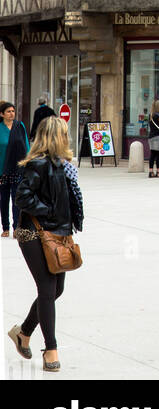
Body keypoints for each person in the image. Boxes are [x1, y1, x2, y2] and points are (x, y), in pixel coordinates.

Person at [8, 117, 84, 372]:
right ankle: (50, 349)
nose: (67, 138)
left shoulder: (63, 166)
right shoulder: (37, 165)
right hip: (34, 234)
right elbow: (22, 198)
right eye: (64, 133)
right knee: (47, 287)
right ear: (55, 137)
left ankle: (24, 332)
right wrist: (48, 212)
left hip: (58, 234)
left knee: (56, 289)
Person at [0, 102, 30, 236]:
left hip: (17, 168)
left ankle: (17, 227)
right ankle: (5, 228)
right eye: (8, 111)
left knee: (16, 198)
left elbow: (26, 145)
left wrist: (28, 162)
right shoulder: (0, 128)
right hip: (2, 169)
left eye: (13, 111)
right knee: (3, 199)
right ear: (2, 114)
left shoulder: (20, 126)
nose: (12, 113)